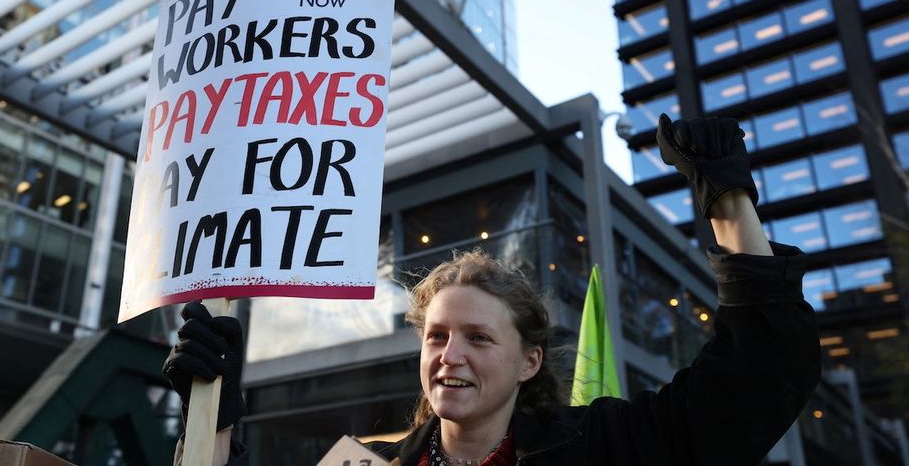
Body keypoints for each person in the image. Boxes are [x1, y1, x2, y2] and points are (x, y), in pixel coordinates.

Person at [163, 115, 821, 465]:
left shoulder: (608, 448)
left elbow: (760, 377)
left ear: (529, 359)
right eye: (438, 336)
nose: (450, 355)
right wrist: (215, 427)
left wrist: (728, 204)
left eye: (479, 338)